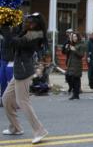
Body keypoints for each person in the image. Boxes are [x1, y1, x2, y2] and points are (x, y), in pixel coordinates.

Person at [1, 12, 48, 144]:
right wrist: (6, 21)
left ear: (36, 25)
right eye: (27, 20)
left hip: (24, 71)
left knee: (23, 101)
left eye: (30, 22)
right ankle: (15, 127)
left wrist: (6, 30)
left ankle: (40, 130)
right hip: (18, 70)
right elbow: (15, 33)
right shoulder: (26, 31)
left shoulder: (35, 36)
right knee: (6, 99)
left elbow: (14, 42)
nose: (27, 23)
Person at [65, 32, 85, 100]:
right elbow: (66, 53)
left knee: (75, 79)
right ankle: (76, 92)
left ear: (78, 37)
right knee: (68, 77)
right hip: (70, 64)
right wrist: (67, 48)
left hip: (77, 65)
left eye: (75, 37)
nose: (74, 38)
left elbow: (81, 55)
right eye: (73, 37)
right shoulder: (72, 44)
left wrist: (75, 50)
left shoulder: (81, 45)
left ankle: (76, 94)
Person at [62, 28, 73, 94]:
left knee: (74, 75)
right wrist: (66, 49)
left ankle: (77, 88)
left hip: (75, 61)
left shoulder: (75, 41)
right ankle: (70, 87)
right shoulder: (66, 42)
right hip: (69, 60)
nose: (69, 35)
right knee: (68, 76)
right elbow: (63, 51)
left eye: (70, 33)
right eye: (68, 33)